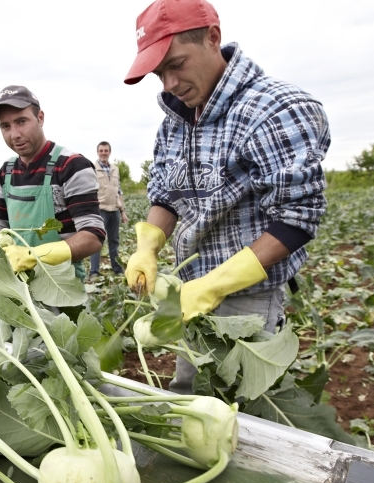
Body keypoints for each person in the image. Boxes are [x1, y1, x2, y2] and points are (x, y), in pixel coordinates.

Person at [124, 0, 329, 394]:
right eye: (159, 73)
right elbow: (166, 195)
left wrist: (216, 285)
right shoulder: (176, 121)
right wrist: (148, 245)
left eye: (177, 64)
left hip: (247, 301)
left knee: (244, 409)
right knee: (191, 391)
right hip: (189, 291)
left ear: (213, 38)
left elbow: (296, 219)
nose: (169, 83)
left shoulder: (276, 108)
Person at [0, 85, 104, 281]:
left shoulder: (72, 165)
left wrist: (33, 256)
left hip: (60, 285)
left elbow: (92, 237)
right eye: (5, 126)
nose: (14, 134)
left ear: (40, 118)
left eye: (21, 122)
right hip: (17, 282)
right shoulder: (6, 172)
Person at [88, 142, 129, 281]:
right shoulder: (92, 169)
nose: (103, 153)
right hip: (100, 210)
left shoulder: (115, 169)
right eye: (101, 150)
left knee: (114, 240)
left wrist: (122, 211)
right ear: (97, 152)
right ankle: (94, 272)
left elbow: (119, 190)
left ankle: (117, 269)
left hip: (114, 210)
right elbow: (88, 189)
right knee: (96, 241)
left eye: (106, 150)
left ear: (109, 152)